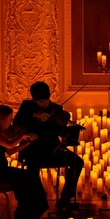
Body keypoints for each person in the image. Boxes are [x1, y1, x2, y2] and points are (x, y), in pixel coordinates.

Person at [13, 81, 84, 212]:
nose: (45, 104)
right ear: (34, 99)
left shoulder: (56, 109)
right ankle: (37, 202)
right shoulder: (27, 106)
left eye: (46, 100)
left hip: (53, 149)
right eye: (41, 102)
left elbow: (61, 132)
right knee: (32, 167)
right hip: (32, 149)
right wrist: (34, 115)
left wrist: (67, 130)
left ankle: (65, 199)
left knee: (77, 162)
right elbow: (16, 121)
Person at [0, 104, 49, 219]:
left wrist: (28, 143)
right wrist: (22, 136)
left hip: (2, 170)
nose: (11, 122)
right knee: (25, 179)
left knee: (31, 175)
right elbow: (10, 145)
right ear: (2, 119)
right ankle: (25, 214)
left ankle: (37, 207)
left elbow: (9, 151)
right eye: (10, 119)